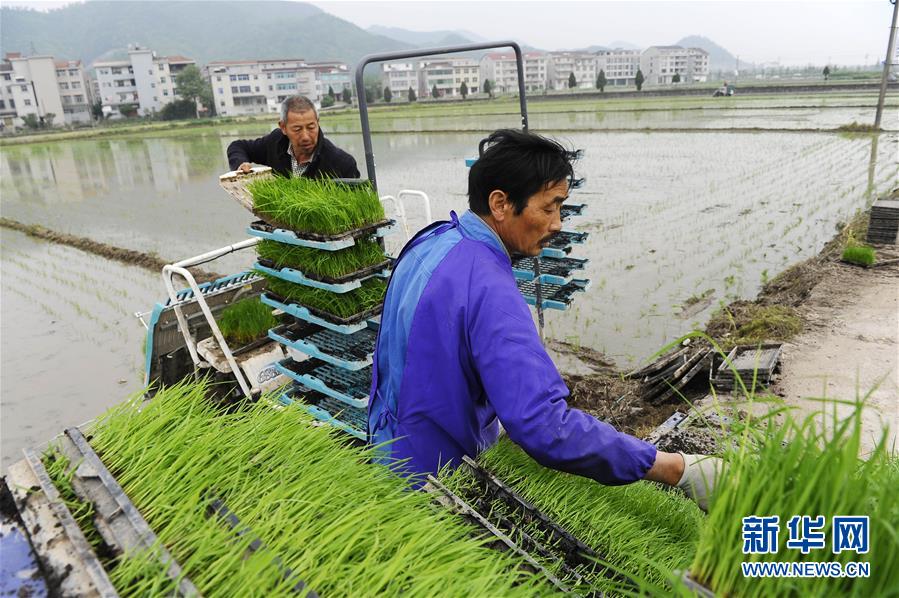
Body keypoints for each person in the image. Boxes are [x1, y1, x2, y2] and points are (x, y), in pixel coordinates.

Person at [368, 129, 723, 511]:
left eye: (562, 208)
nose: (557, 224)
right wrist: (673, 468)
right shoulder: (490, 288)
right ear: (501, 204)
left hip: (386, 451)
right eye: (549, 207)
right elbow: (543, 425)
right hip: (433, 484)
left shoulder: (432, 240)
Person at [227, 95, 359, 179]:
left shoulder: (342, 163)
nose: (306, 136)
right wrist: (240, 164)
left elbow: (357, 209)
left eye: (311, 127)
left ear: (318, 122)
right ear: (283, 127)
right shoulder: (275, 142)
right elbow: (238, 146)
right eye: (297, 129)